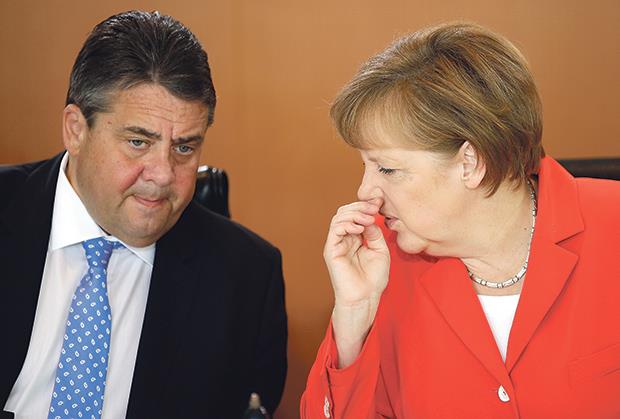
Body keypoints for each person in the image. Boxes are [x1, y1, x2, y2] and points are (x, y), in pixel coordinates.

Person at [301, 22, 619, 418]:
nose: (366, 192)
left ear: (471, 162)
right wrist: (354, 317)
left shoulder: (612, 227)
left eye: (387, 169)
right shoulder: (378, 264)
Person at [0, 11, 287, 419]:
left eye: (184, 148)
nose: (163, 174)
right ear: (76, 129)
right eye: (138, 142)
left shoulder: (246, 279)